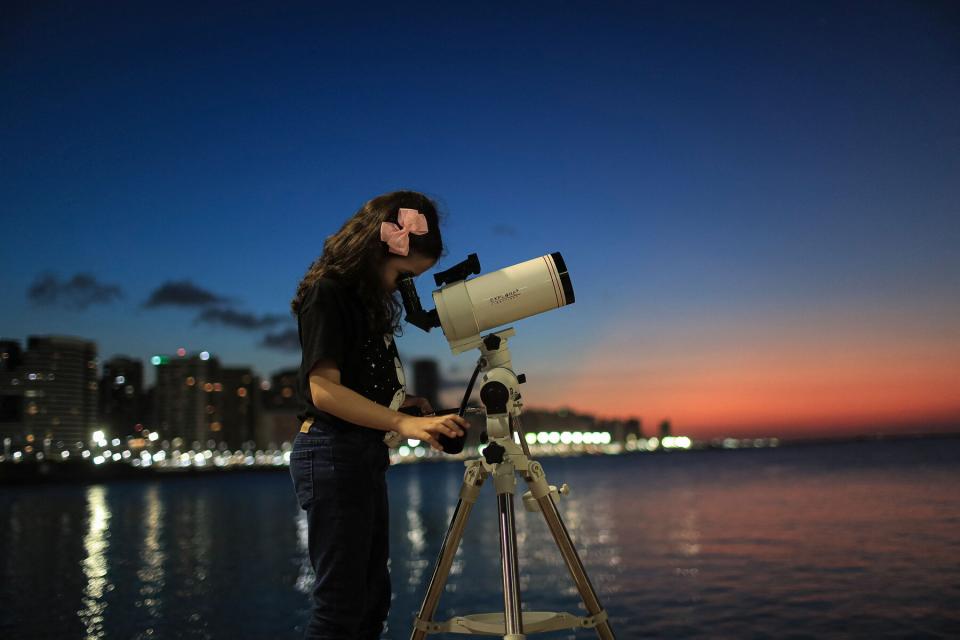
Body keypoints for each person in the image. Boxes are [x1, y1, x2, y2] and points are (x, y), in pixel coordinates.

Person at [288, 190, 471, 639]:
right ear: (378, 250)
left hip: (360, 455)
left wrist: (398, 402)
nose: (401, 288)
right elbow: (325, 390)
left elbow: (355, 380)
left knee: (371, 600)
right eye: (403, 275)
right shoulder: (328, 293)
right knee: (340, 609)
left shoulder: (363, 303)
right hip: (332, 454)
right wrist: (404, 424)